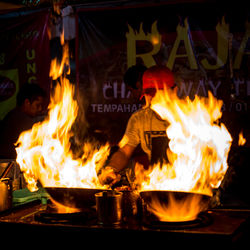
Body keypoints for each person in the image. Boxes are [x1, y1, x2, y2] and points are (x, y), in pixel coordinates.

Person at [99, 65, 176, 186]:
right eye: (150, 95)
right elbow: (124, 151)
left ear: (174, 90)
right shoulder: (139, 119)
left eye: (160, 95)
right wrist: (111, 170)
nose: (154, 100)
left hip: (187, 186)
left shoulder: (191, 118)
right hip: (157, 185)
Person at [0, 83, 46, 159]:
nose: (40, 109)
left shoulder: (15, 114)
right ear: (27, 102)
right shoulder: (19, 119)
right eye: (37, 105)